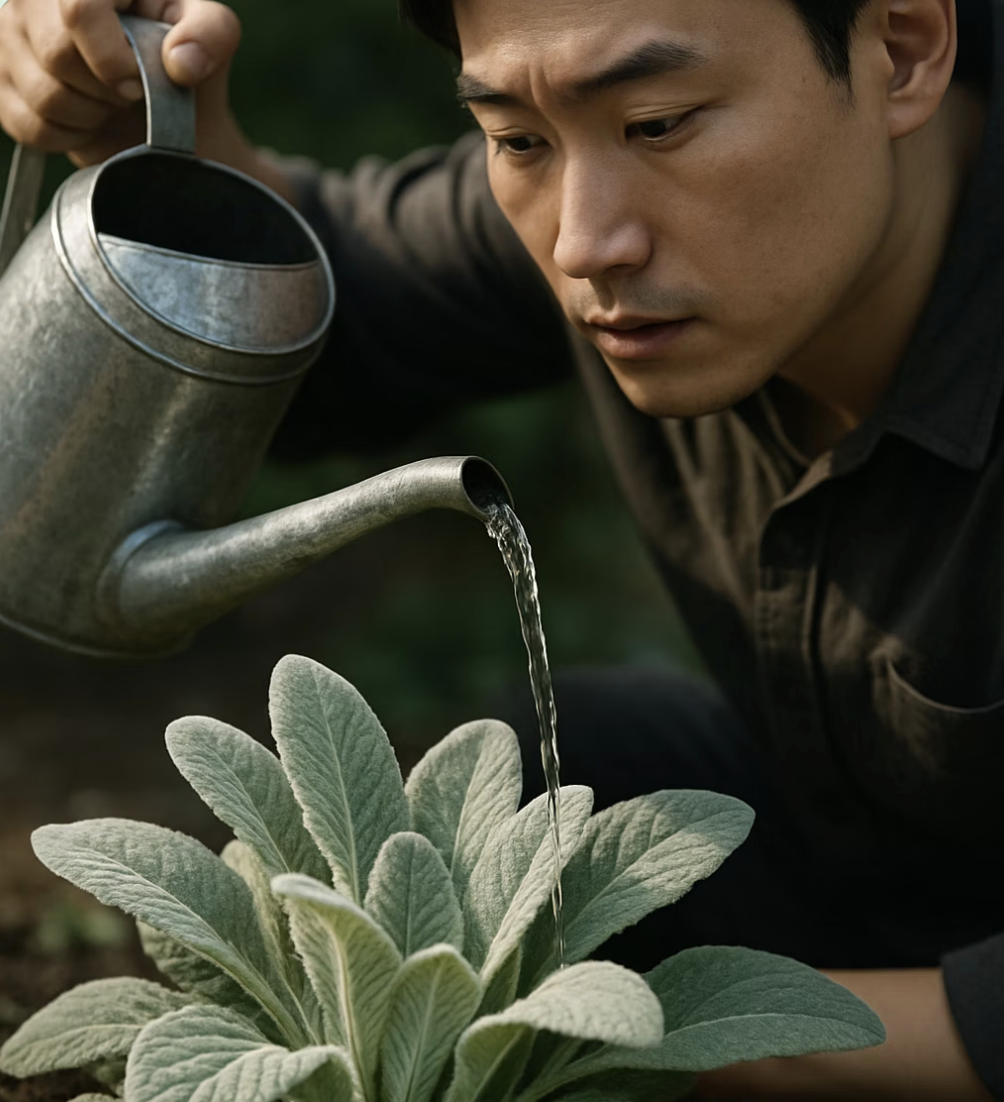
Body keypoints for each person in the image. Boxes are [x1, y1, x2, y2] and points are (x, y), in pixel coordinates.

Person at [0, 0, 1000, 1096]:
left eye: (658, 122)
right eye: (518, 137)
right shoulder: (621, 222)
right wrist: (158, 143)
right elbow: (343, 309)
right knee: (565, 768)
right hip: (884, 872)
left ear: (900, 49)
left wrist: (664, 1045)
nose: (582, 244)